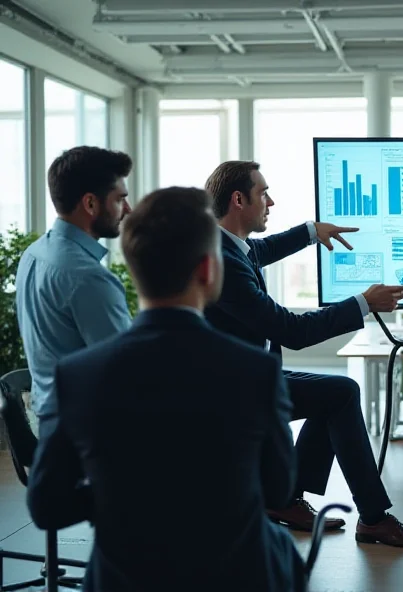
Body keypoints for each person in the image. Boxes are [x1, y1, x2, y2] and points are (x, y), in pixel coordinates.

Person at [26, 187, 308, 592]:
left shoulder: (79, 374)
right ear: (209, 270)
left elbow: (47, 505)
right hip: (236, 575)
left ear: (136, 270)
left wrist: (123, 495)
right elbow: (278, 486)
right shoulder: (254, 370)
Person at [203, 161, 403, 548]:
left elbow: (263, 248)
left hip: (247, 377)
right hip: (235, 390)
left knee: (338, 394)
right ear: (238, 199)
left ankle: (285, 499)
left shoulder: (227, 245)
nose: (270, 201)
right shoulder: (224, 260)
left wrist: (312, 231)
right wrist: (364, 303)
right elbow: (292, 332)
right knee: (339, 394)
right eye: (263, 193)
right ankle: (372, 519)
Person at [15, 146, 133, 423]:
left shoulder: (33, 254)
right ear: (90, 203)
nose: (127, 209)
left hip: (51, 420)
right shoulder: (88, 278)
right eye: (120, 199)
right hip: (88, 432)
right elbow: (128, 372)